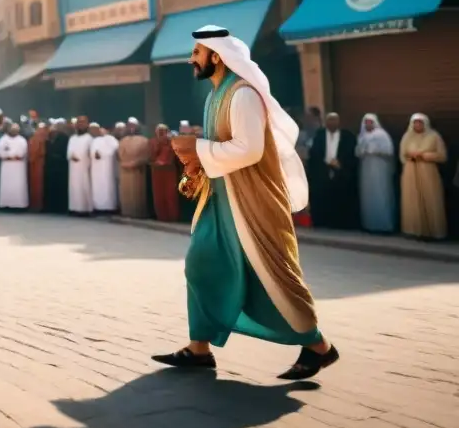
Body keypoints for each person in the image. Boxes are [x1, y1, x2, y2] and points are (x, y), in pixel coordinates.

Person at [161, 26, 337, 380]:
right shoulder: (214, 96)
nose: (191, 59)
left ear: (216, 55)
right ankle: (199, 348)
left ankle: (319, 347)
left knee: (274, 274)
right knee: (199, 263)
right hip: (220, 200)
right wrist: (197, 158)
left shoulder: (242, 95)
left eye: (197, 52)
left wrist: (198, 149)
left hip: (252, 204)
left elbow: (250, 150)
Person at [399, 113, 448, 241]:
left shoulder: (434, 136)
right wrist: (412, 157)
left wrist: (425, 156)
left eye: (420, 122)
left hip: (428, 172)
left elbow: (442, 156)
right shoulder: (407, 136)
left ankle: (434, 232)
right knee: (412, 201)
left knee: (431, 199)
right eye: (415, 122)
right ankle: (414, 231)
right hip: (410, 173)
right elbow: (402, 155)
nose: (418, 125)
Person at [307, 112, 359, 229]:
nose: (332, 123)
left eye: (334, 120)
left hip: (341, 172)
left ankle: (340, 224)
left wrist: (341, 163)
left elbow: (351, 154)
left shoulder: (347, 136)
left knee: (341, 198)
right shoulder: (319, 135)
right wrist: (324, 162)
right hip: (323, 171)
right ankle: (323, 223)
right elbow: (314, 154)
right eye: (330, 120)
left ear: (339, 122)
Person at [356, 113, 396, 234]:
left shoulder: (382, 135)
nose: (368, 124)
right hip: (366, 169)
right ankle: (369, 225)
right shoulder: (362, 136)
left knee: (381, 194)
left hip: (380, 169)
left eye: (370, 122)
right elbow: (357, 152)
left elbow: (388, 151)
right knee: (368, 196)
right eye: (366, 122)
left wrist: (375, 151)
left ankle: (384, 226)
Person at [118, 118, 150, 218]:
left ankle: (138, 213)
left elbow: (146, 155)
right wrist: (125, 163)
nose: (131, 128)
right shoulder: (123, 141)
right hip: (125, 170)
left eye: (133, 126)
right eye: (129, 126)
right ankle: (127, 212)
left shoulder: (144, 140)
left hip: (137, 171)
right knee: (126, 192)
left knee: (137, 193)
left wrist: (136, 163)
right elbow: (120, 155)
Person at [149, 124, 180, 223]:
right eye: (160, 131)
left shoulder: (172, 142)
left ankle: (173, 217)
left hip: (169, 171)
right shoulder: (153, 142)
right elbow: (151, 156)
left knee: (170, 195)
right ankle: (162, 217)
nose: (162, 133)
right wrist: (159, 144)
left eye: (164, 131)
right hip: (157, 171)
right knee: (159, 195)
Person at [0, 122, 29, 209]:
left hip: (18, 166)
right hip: (7, 165)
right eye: (12, 129)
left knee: (18, 185)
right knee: (7, 185)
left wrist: (16, 156)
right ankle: (6, 205)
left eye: (16, 129)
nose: (14, 131)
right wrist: (8, 156)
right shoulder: (3, 139)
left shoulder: (22, 140)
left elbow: (23, 152)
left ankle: (19, 205)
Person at [89, 122, 119, 213]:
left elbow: (114, 150)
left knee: (108, 187)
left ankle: (109, 207)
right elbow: (92, 151)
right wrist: (95, 154)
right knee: (97, 187)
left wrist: (102, 154)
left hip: (107, 168)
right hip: (96, 168)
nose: (102, 131)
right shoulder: (95, 140)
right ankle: (97, 207)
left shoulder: (112, 139)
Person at [66, 116, 93, 215]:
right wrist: (71, 156)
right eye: (79, 122)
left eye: (82, 122)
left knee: (84, 186)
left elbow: (91, 153)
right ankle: (74, 208)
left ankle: (85, 209)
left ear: (87, 124)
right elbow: (69, 152)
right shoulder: (72, 138)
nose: (80, 124)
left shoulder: (89, 138)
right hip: (73, 167)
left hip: (84, 166)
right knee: (74, 187)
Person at [44, 119, 70, 214]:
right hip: (51, 166)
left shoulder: (65, 137)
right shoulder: (49, 137)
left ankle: (60, 208)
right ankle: (51, 207)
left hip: (61, 166)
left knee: (60, 187)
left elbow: (65, 151)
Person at [27, 122, 48, 212]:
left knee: (38, 185)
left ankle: (37, 205)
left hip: (39, 165)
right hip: (34, 166)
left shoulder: (42, 140)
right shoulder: (34, 139)